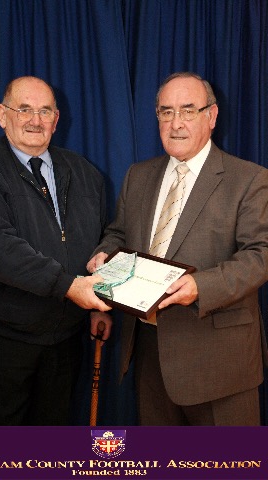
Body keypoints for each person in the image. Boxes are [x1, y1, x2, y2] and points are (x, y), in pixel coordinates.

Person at [88, 72, 268, 426]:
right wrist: (105, 255)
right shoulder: (138, 176)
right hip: (149, 354)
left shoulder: (250, 179)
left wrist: (202, 286)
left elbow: (260, 254)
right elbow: (118, 233)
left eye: (188, 111)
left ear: (211, 116)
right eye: (166, 112)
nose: (176, 124)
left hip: (220, 363)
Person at [0, 75, 112, 426]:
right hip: (4, 341)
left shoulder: (86, 174)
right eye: (24, 109)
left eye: (44, 111)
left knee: (52, 447)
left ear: (57, 119)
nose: (35, 120)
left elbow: (101, 240)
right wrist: (71, 287)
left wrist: (100, 304)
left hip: (66, 341)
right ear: (1, 114)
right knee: (0, 454)